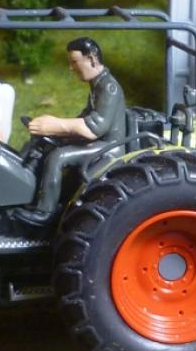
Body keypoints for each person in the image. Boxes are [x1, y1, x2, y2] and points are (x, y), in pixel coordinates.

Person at [13, 37, 126, 225]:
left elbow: (93, 128)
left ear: (91, 59)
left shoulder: (109, 88)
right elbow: (85, 116)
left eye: (74, 62)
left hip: (108, 148)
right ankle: (35, 198)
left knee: (58, 157)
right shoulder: (97, 85)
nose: (71, 68)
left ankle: (46, 212)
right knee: (47, 145)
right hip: (98, 142)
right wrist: (55, 133)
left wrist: (55, 125)